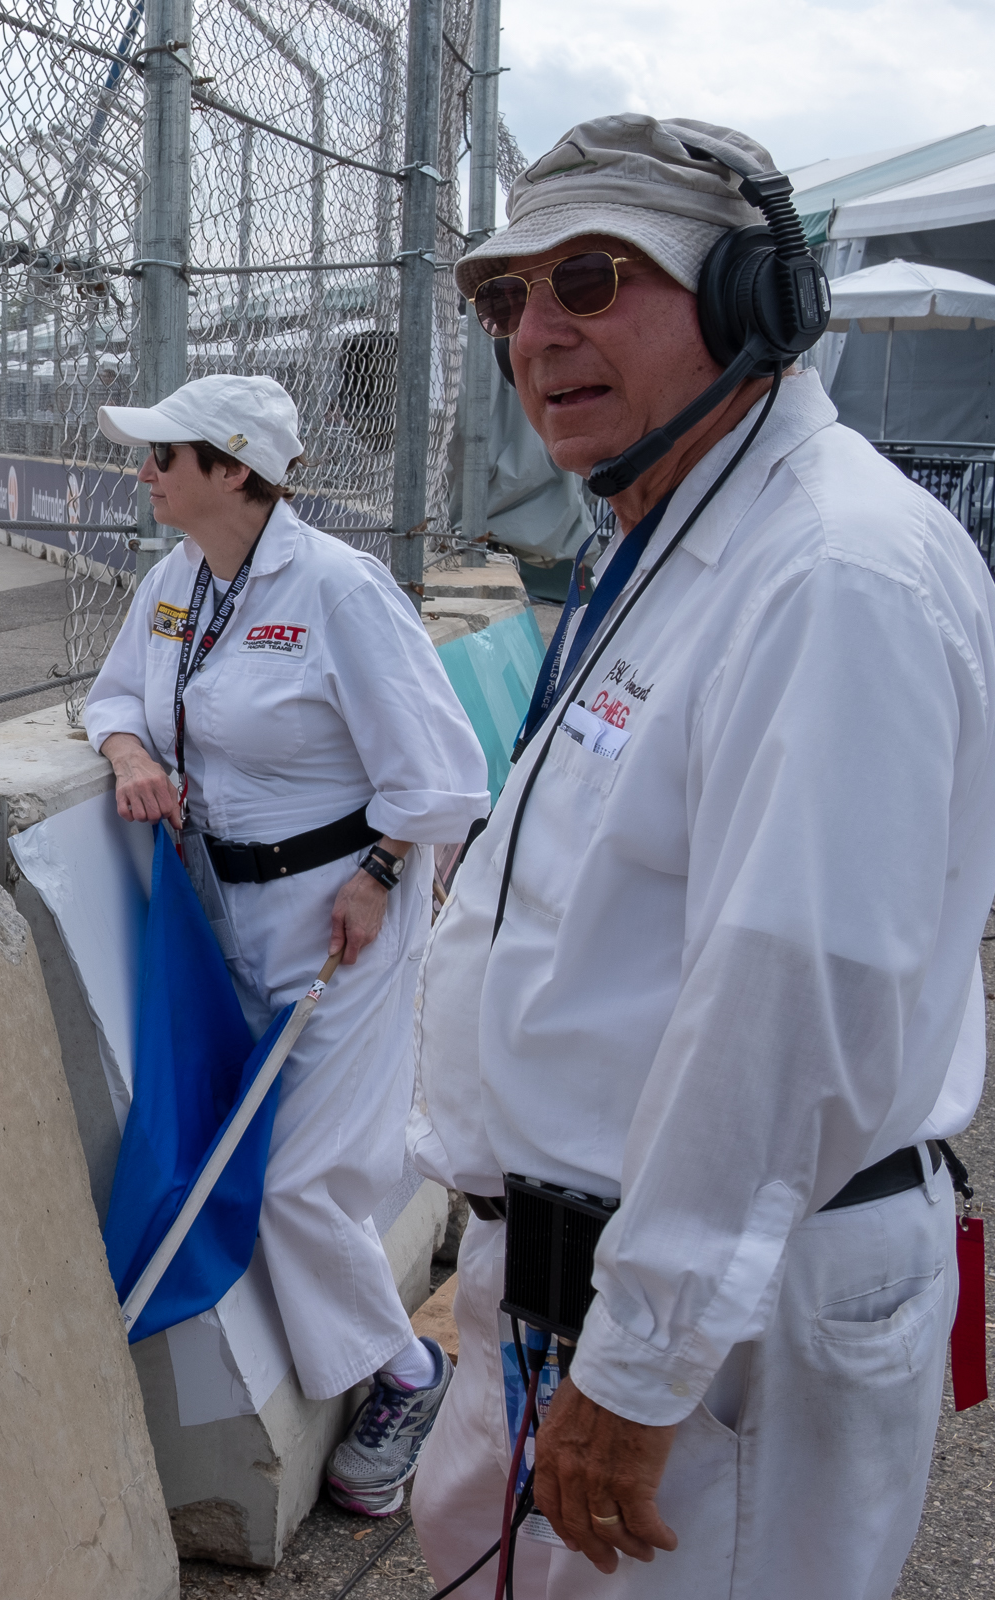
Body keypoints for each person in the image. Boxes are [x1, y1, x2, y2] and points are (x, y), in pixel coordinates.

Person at [410, 113, 995, 1598]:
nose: (536, 333)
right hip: (589, 1283)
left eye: (590, 279)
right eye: (506, 298)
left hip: (711, 1323)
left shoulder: (832, 575)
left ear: (752, 303)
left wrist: (644, 1363)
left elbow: (793, 1000)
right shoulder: (674, 531)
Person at [84, 373, 490, 1516]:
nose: (145, 473)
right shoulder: (175, 580)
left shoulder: (340, 589)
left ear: (232, 469)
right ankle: (392, 1361)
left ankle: (407, 1374)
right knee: (256, 1156)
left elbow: (445, 774)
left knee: (298, 1179)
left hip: (342, 917)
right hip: (223, 916)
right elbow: (111, 698)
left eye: (166, 456)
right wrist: (130, 756)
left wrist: (380, 874)